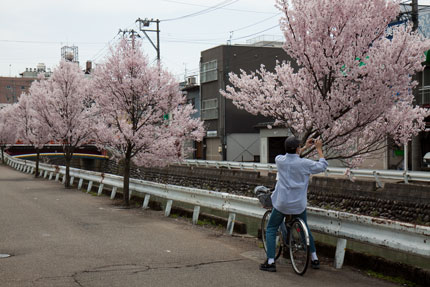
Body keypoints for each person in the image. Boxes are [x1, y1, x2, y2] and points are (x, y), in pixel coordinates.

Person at [260, 136, 328, 272]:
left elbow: (291, 156)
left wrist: (303, 148)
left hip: (282, 203)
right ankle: (314, 258)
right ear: (297, 149)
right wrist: (318, 149)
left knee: (271, 228)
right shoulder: (305, 164)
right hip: (298, 204)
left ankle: (271, 261)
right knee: (305, 229)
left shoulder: (279, 160)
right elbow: (323, 166)